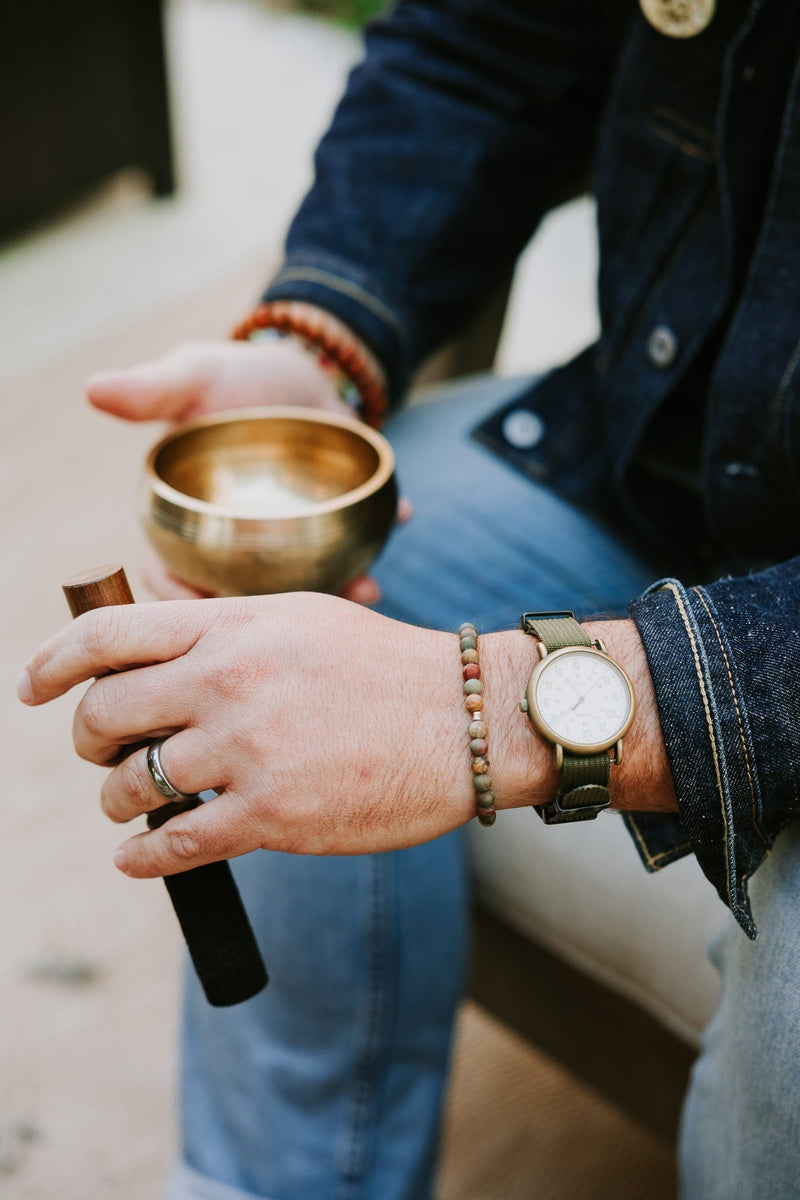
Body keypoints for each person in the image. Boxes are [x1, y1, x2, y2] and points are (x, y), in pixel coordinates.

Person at [17, 0, 800, 1196]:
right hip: (659, 461)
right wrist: (320, 345)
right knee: (267, 629)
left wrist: (478, 709)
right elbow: (487, 40)